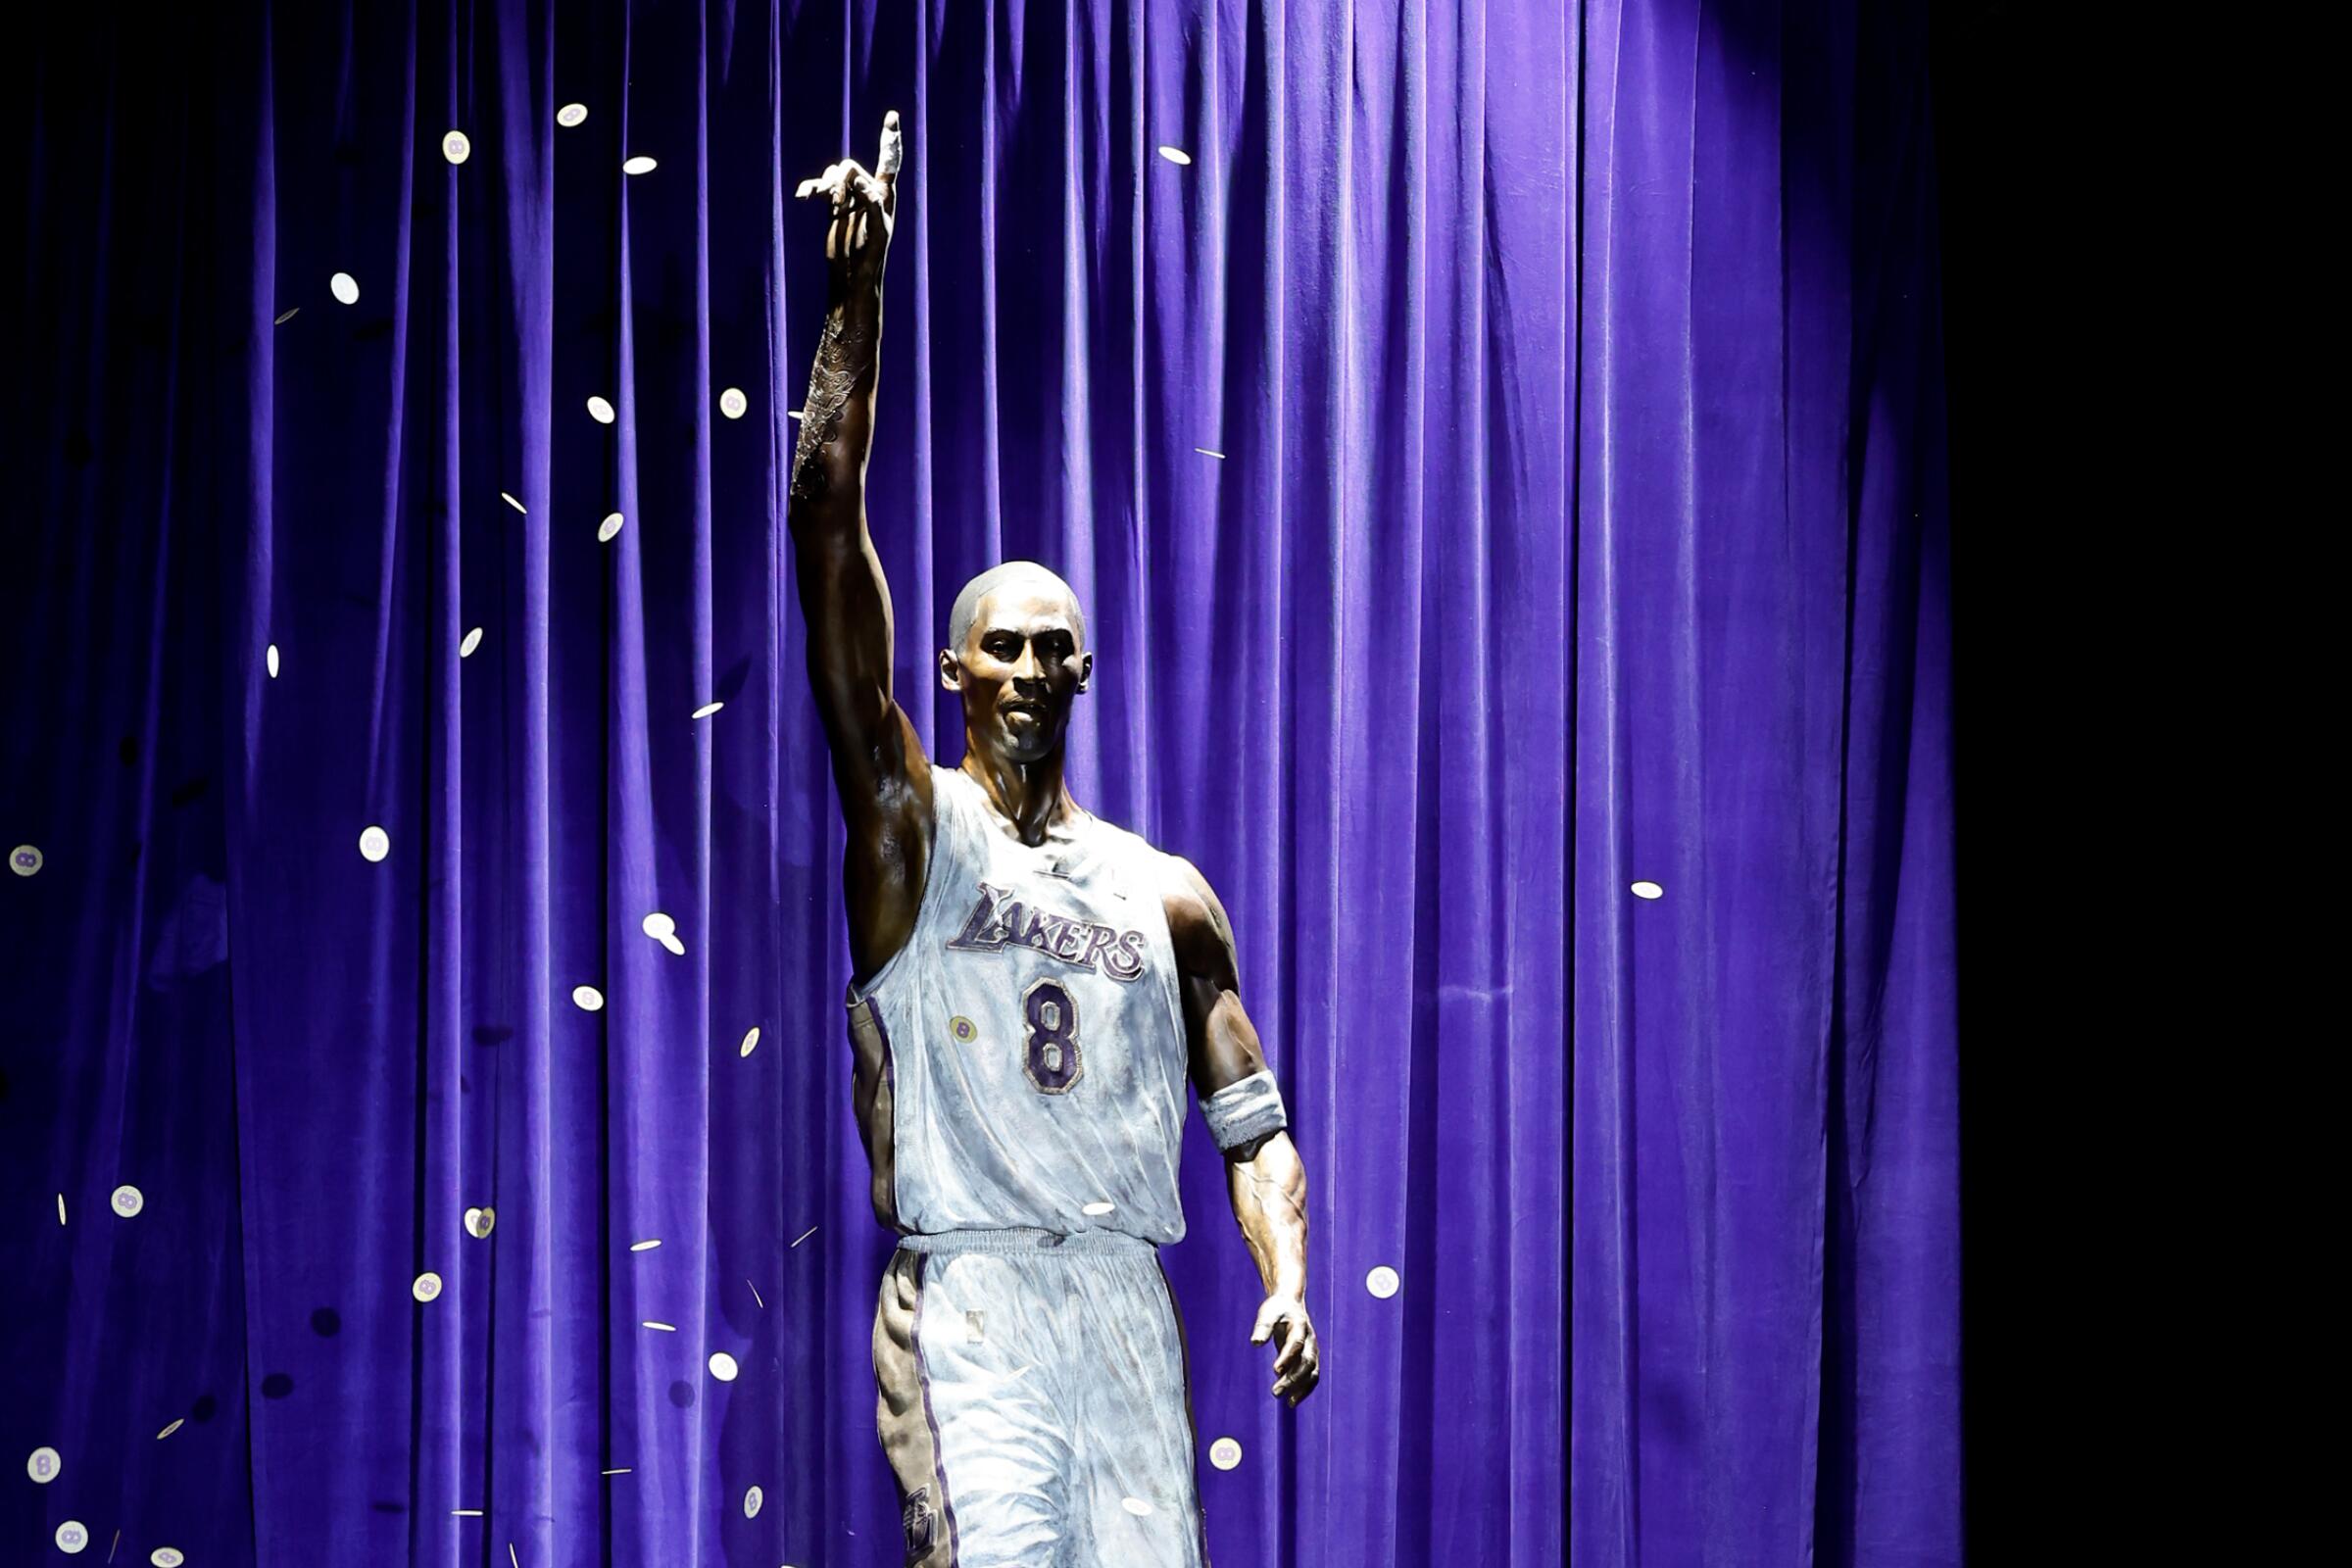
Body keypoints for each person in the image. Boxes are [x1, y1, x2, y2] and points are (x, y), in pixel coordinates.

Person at [786, 113, 1321, 1568]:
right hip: (974, 1309)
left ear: (1087, 672)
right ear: (956, 671)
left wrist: (1285, 1272)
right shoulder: (913, 829)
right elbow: (826, 532)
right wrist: (859, 309)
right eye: (1000, 648)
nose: (1027, 668)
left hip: (1124, 1313)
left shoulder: (1167, 896)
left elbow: (1257, 1131)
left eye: (1054, 650)